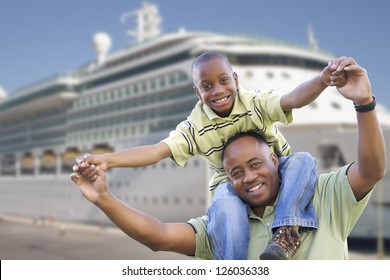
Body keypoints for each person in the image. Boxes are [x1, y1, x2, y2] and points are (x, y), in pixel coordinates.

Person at [71, 57, 386, 259]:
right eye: (207, 86)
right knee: (223, 203)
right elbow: (157, 157)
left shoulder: (322, 197)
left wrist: (339, 90)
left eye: (255, 164)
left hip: (291, 172)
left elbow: (293, 99)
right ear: (198, 93)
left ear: (236, 79)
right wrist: (107, 170)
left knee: (303, 160)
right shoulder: (222, 218)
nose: (218, 90)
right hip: (224, 191)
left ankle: (287, 230)